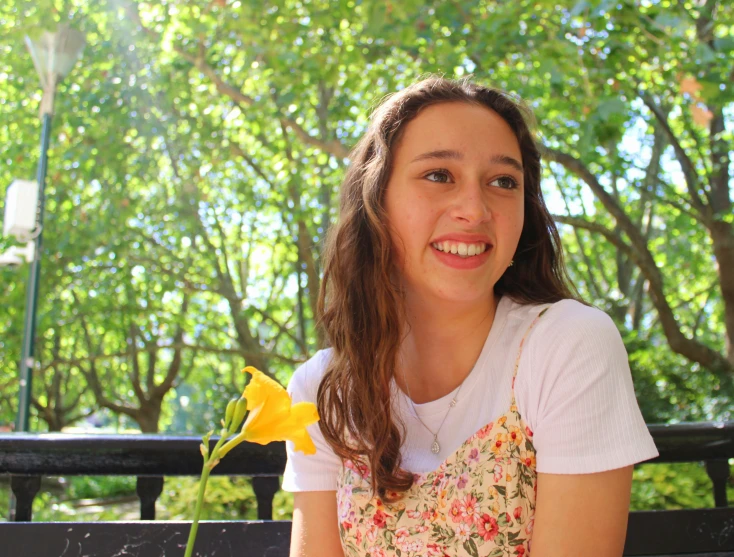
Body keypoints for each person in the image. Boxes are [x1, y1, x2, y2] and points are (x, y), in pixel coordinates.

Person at [282, 76, 659, 557]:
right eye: (439, 174)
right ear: (375, 201)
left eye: (504, 182)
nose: (474, 209)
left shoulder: (568, 345)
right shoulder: (323, 392)